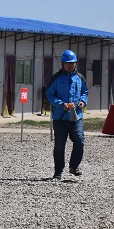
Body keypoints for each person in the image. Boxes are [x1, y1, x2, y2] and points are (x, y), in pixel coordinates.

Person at [45, 49, 88, 180]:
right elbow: (49, 94)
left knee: (79, 141)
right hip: (60, 118)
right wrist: (60, 104)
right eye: (67, 63)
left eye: (72, 63)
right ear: (62, 63)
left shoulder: (80, 78)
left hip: (76, 117)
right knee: (59, 145)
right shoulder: (56, 78)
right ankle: (58, 171)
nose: (70, 65)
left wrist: (83, 101)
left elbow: (85, 91)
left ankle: (74, 166)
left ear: (75, 63)